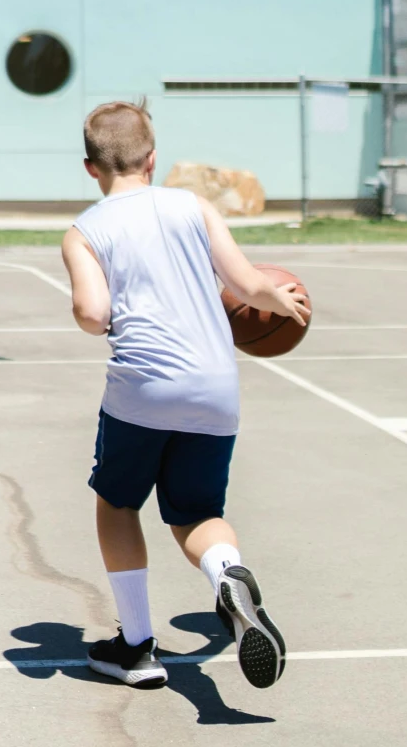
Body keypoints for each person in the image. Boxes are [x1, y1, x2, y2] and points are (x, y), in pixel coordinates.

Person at [60, 99, 309, 690]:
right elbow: (247, 283)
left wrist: (106, 320)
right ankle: (227, 575)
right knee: (198, 513)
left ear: (90, 167)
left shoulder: (84, 231)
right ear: (153, 159)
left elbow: (92, 314)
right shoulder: (191, 206)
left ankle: (138, 648)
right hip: (214, 386)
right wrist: (284, 305)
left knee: (117, 503)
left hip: (142, 387)